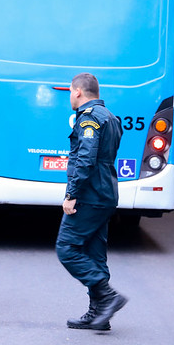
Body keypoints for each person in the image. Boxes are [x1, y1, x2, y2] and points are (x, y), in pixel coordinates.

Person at [58, 73, 126, 331]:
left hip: (90, 194)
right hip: (106, 191)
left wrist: (71, 193)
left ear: (77, 91)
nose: (69, 97)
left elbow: (85, 159)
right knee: (95, 253)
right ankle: (99, 314)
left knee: (67, 248)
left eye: (69, 92)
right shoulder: (110, 117)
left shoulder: (89, 119)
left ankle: (108, 297)